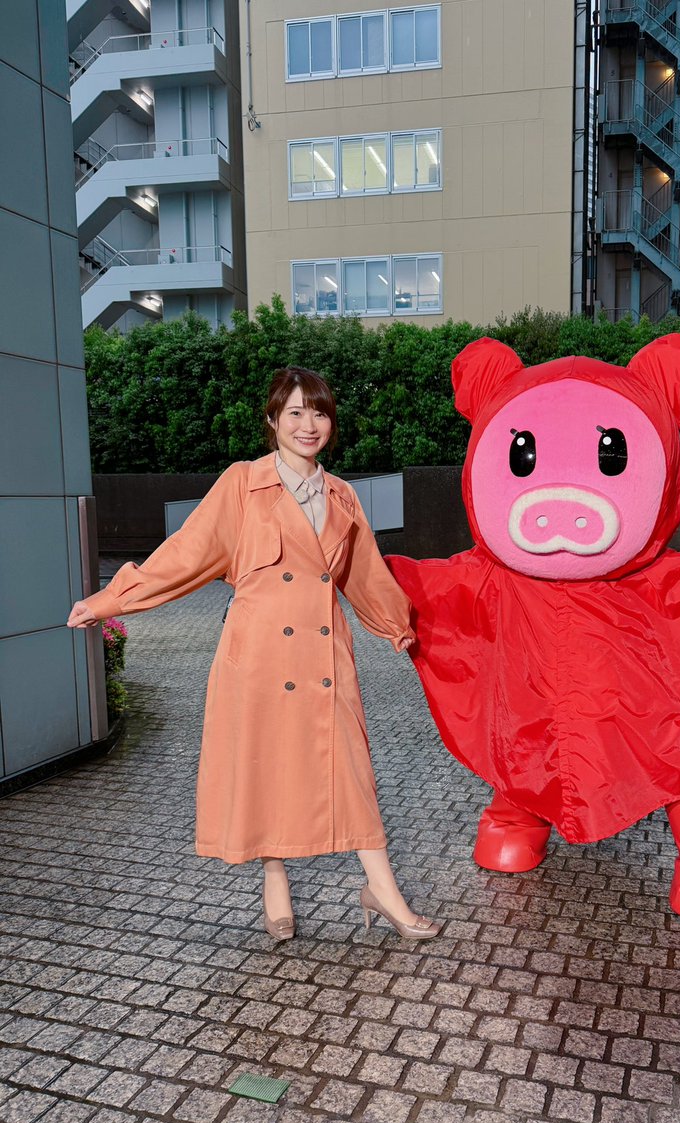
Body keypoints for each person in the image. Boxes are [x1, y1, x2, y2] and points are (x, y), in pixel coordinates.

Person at [68, 366, 439, 943]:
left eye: (318, 412)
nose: (308, 424)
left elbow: (365, 573)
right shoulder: (243, 483)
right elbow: (185, 554)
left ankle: (382, 889)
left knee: (351, 770)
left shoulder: (341, 495)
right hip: (260, 654)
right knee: (268, 767)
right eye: (294, 412)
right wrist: (111, 599)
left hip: (325, 656)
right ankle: (275, 887)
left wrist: (399, 627)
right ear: (272, 421)